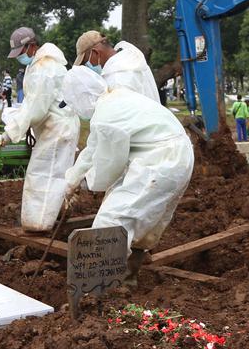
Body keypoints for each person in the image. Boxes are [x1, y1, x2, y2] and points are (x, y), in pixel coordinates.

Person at [62, 67, 194, 277]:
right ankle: (129, 274)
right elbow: (93, 149)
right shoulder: (115, 100)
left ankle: (98, 287)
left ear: (80, 98)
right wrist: (72, 180)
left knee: (111, 222)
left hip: (159, 161)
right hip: (178, 155)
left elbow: (110, 164)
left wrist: (88, 182)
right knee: (146, 217)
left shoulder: (106, 116)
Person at [3, 27, 80, 232]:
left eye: (21, 53)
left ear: (31, 46)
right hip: (55, 127)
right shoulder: (40, 64)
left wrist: (11, 132)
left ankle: (38, 224)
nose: (20, 58)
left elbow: (35, 107)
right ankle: (56, 213)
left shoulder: (44, 67)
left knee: (43, 175)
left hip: (57, 129)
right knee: (55, 174)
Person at [75, 31, 159, 102]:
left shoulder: (116, 80)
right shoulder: (131, 60)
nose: (87, 68)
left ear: (95, 53)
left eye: (86, 63)